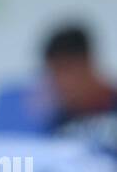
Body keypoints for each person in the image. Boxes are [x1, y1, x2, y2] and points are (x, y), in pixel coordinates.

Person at [43, 24, 117, 156]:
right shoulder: (58, 119)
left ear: (87, 63)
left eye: (65, 70)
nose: (59, 82)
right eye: (53, 74)